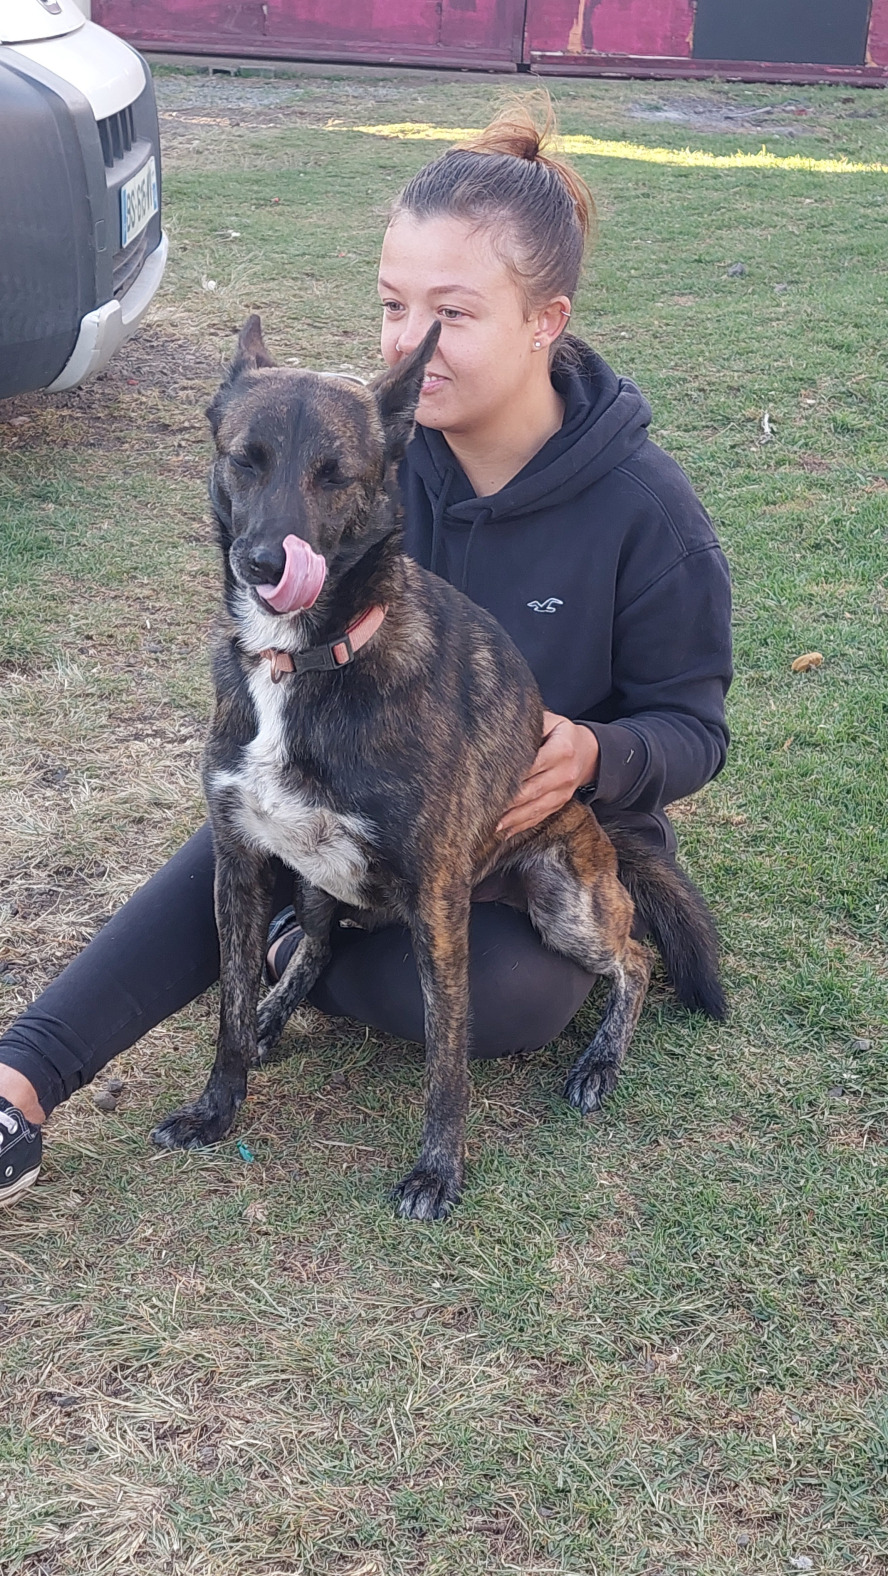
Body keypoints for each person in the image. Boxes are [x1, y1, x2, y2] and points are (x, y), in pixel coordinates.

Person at [0, 100, 732, 1207]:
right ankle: (26, 1074)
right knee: (248, 808)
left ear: (547, 320)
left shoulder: (646, 512)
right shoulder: (354, 453)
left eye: (452, 312)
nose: (406, 339)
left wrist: (595, 753)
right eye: (393, 304)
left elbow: (694, 727)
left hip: (535, 819)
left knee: (514, 996)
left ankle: (298, 936)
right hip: (350, 788)